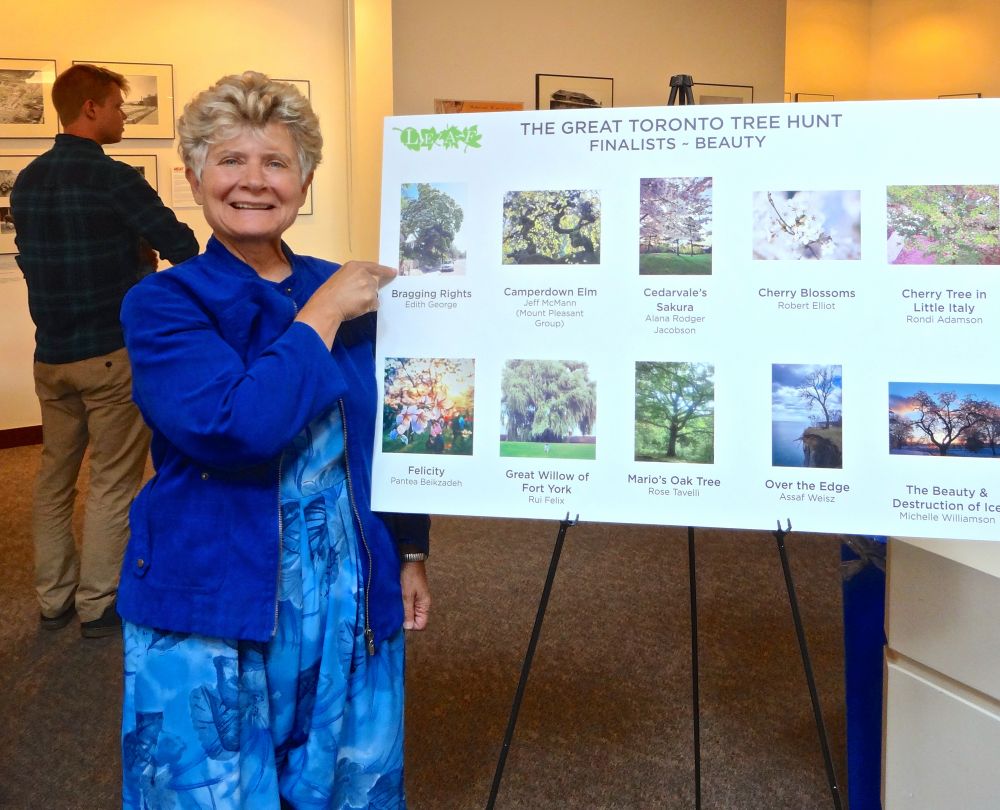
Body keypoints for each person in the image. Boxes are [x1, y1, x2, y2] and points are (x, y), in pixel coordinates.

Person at [117, 71, 431, 809]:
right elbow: (236, 428)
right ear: (194, 177)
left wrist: (410, 550)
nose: (254, 181)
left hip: (348, 588)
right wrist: (323, 314)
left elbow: (397, 430)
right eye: (230, 159)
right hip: (211, 597)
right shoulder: (165, 301)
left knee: (344, 788)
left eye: (276, 162)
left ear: (305, 181)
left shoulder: (341, 286)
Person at [10, 64, 199, 638]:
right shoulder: (113, 178)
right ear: (90, 108)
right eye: (118, 106)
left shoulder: (28, 181)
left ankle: (53, 599)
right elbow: (184, 246)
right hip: (112, 355)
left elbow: (35, 260)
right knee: (114, 481)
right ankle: (97, 604)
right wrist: (141, 261)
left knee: (54, 478)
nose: (123, 116)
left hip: (51, 357)